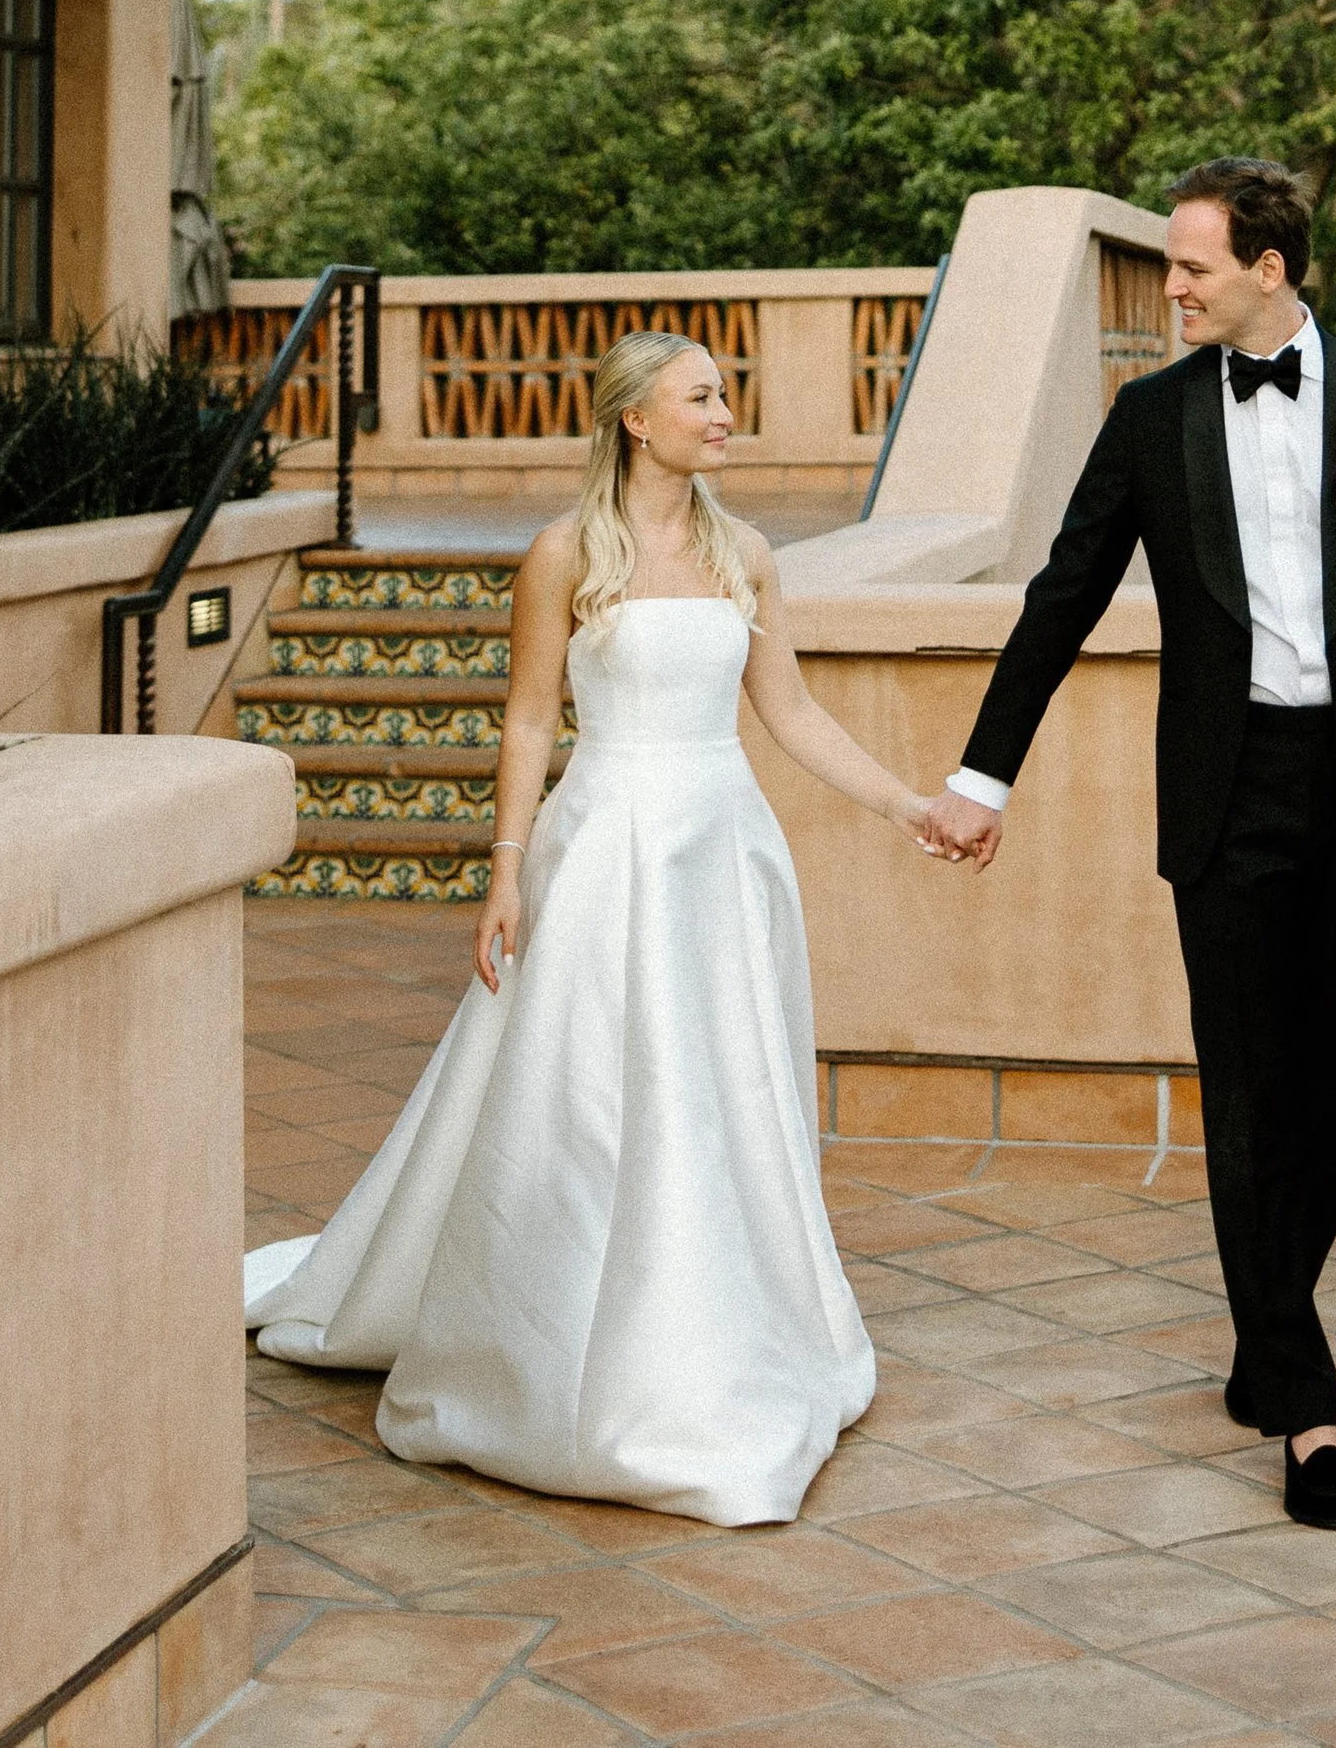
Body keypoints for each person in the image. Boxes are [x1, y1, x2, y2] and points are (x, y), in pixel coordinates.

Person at [243, 324, 949, 1524]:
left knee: (717, 1089)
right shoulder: (564, 553)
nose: (726, 416)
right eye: (704, 398)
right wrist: (503, 871)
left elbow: (791, 713)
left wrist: (907, 805)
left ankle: (715, 1329)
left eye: (726, 398)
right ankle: (547, 1333)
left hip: (721, 853)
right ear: (636, 419)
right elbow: (527, 723)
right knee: (582, 1095)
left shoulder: (751, 556)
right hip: (604, 844)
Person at [923, 158, 1336, 1531]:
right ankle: (1307, 1408)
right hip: (1228, 794)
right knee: (1244, 1085)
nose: (1168, 286)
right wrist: (982, 773)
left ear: (1268, 268)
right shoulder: (1153, 416)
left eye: (1189, 266)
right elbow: (1061, 595)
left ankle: (1266, 1319)